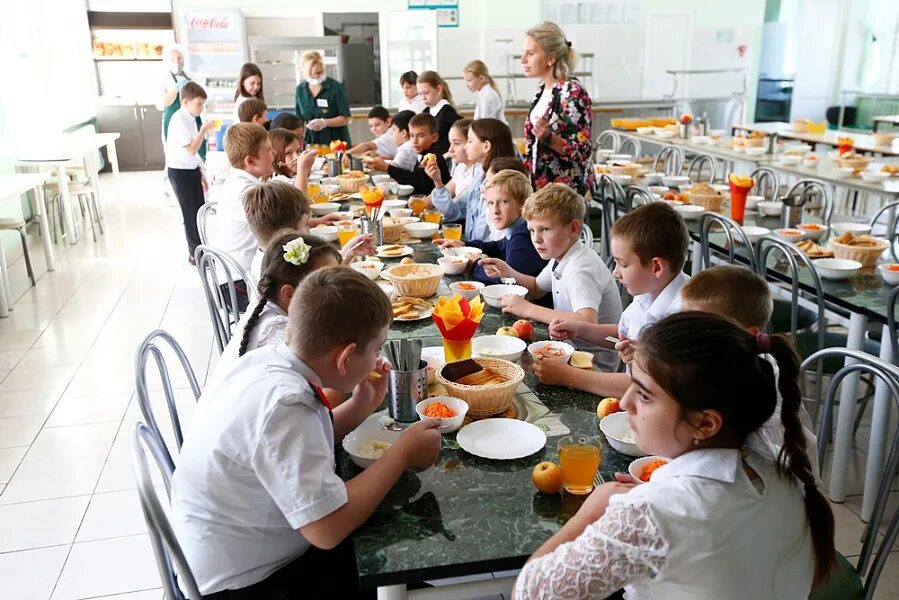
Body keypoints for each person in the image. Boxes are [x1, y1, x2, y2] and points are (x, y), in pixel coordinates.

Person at [512, 312, 835, 600]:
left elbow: (528, 594)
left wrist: (593, 511)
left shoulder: (652, 512)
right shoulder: (780, 470)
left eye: (644, 394)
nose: (625, 403)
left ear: (705, 423)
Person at [171, 267, 443, 598]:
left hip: (240, 546)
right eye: (376, 349)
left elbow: (291, 449)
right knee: (387, 562)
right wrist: (401, 454)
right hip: (246, 584)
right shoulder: (286, 406)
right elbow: (327, 529)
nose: (377, 358)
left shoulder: (268, 362)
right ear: (344, 358)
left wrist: (360, 405)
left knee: (386, 555)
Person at [679, 265, 819, 475]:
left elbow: (772, 476)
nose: (686, 335)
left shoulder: (759, 394)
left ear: (745, 334)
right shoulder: (719, 360)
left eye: (700, 328)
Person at [541, 202, 689, 392]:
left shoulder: (680, 317)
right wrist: (581, 329)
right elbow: (623, 335)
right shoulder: (651, 287)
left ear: (656, 267)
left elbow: (646, 386)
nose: (615, 273)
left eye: (623, 264)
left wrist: (568, 376)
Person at [482, 183, 622, 371]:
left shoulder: (580, 268)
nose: (536, 238)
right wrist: (509, 272)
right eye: (532, 230)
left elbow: (588, 321)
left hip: (593, 365)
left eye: (545, 229)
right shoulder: (562, 256)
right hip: (569, 351)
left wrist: (528, 309)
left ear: (572, 229)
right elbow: (537, 288)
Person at [439, 170, 547, 288]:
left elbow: (506, 281)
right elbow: (499, 247)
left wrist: (475, 265)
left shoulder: (524, 236)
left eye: (503, 202)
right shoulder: (516, 229)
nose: (495, 210)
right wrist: (465, 245)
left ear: (523, 204)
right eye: (490, 203)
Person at [521, 22, 593, 195]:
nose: (523, 59)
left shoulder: (572, 92)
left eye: (530, 54)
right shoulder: (541, 89)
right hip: (541, 187)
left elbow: (582, 150)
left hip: (564, 193)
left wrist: (548, 138)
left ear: (551, 58)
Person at [211, 123, 276, 311]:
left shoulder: (240, 183)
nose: (273, 155)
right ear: (250, 161)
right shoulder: (247, 191)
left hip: (233, 279)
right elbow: (281, 231)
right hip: (239, 287)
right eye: (268, 150)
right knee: (305, 294)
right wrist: (303, 172)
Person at [426, 118, 516, 243]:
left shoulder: (505, 180)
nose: (466, 146)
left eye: (469, 141)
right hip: (474, 249)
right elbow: (455, 211)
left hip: (490, 255)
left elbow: (501, 239)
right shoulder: (479, 175)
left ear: (486, 146)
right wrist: (438, 182)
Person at [165, 81, 216, 264]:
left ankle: (201, 251)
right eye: (198, 104)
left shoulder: (190, 119)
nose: (201, 108)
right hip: (179, 172)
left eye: (202, 104)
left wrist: (201, 173)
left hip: (191, 169)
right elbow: (192, 149)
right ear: (185, 102)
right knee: (190, 214)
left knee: (199, 212)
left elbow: (193, 155)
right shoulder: (179, 120)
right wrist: (204, 130)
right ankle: (195, 255)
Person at [371, 113, 449, 196]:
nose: (414, 141)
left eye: (420, 136)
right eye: (412, 136)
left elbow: (418, 181)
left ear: (434, 137)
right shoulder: (422, 153)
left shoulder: (433, 157)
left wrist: (388, 168)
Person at [295, 51, 351, 146]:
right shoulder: (301, 90)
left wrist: (324, 122)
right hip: (312, 141)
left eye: (319, 73)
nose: (316, 77)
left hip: (335, 142)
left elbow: (346, 118)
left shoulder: (335, 88)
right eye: (312, 74)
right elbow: (299, 119)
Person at [417, 70, 461, 156]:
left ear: (439, 89)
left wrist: (447, 155)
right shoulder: (425, 112)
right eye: (420, 94)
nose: (423, 98)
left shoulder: (447, 112)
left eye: (426, 93)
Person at [269, 128, 320, 197]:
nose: (296, 157)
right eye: (288, 153)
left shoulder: (291, 176)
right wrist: (302, 170)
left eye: (298, 151)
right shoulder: (278, 183)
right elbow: (300, 201)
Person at [464, 59, 507, 124]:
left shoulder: (487, 96)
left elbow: (485, 124)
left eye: (469, 80)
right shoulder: (485, 94)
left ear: (481, 78)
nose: (467, 85)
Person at [444, 118, 475, 197]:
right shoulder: (461, 167)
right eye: (450, 143)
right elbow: (445, 194)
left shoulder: (478, 173)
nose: (450, 150)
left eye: (456, 143)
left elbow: (456, 203)